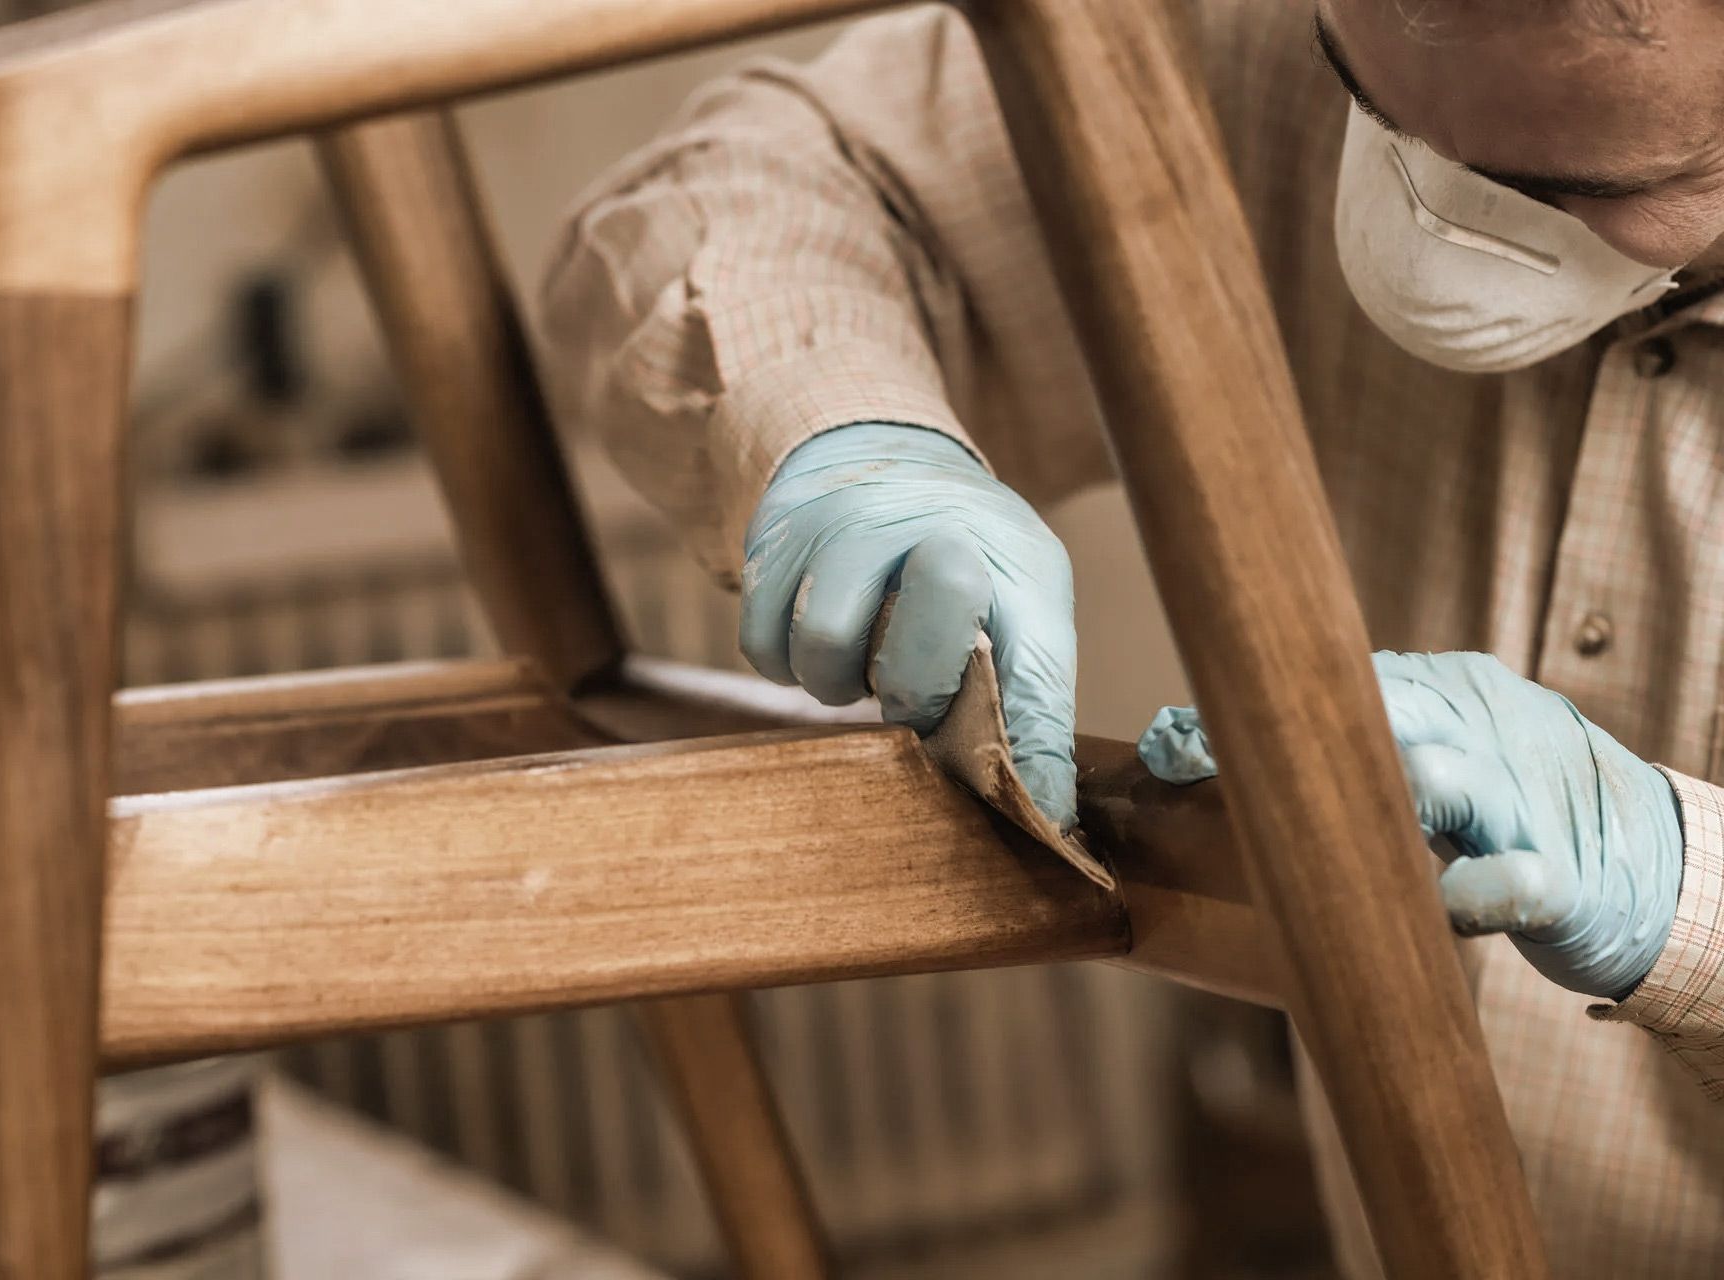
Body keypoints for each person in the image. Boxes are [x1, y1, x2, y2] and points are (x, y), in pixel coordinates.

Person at [539, 0, 1724, 1274]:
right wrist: (845, 429)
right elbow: (757, 175)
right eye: (1371, 105)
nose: (1438, 219)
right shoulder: (1259, 33)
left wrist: (1685, 893)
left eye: (1584, 185)